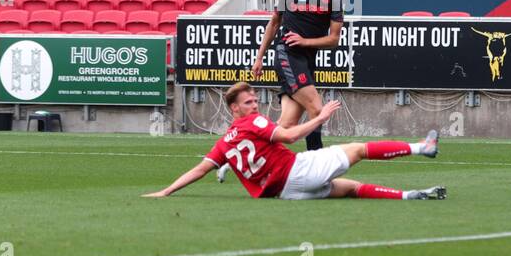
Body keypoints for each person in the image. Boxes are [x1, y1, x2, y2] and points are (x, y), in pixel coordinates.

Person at [143, 82, 446, 200]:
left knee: (351, 188)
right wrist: (320, 117)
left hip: (285, 193)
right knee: (358, 149)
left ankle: (409, 195)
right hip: (297, 171)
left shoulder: (224, 142)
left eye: (254, 100)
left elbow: (198, 170)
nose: (255, 105)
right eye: (248, 102)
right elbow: (288, 135)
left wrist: (166, 191)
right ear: (235, 109)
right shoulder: (253, 122)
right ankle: (424, 147)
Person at [244, 0, 344, 158]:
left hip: (307, 61)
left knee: (286, 125)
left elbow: (334, 39)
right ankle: (317, 165)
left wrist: (305, 42)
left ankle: (244, 153)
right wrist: (259, 58)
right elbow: (274, 23)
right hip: (287, 55)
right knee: (317, 109)